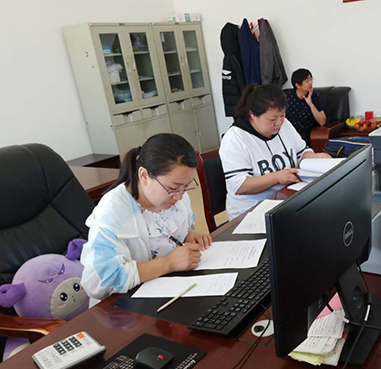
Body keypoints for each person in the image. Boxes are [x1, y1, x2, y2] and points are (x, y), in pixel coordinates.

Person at [81, 133, 212, 306]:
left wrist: (188, 235)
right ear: (143, 175)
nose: (180, 196)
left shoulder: (175, 197)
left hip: (172, 291)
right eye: (173, 187)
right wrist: (168, 263)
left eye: (186, 187)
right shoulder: (113, 211)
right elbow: (99, 281)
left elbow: (171, 231)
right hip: (124, 309)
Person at [220, 83, 331, 220]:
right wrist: (276, 177)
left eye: (282, 115)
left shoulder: (284, 125)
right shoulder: (235, 138)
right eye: (272, 119)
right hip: (250, 212)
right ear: (252, 114)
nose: (279, 123)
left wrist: (318, 158)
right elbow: (241, 186)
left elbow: (301, 153)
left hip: (286, 201)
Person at [284, 68, 326, 144]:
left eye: (311, 79)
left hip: (305, 132)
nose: (310, 83)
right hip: (288, 130)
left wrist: (310, 104)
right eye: (307, 81)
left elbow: (322, 122)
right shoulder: (287, 96)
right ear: (297, 85)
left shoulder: (315, 96)